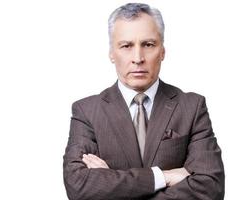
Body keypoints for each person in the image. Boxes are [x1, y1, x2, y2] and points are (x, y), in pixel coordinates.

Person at [63, 3, 224, 200]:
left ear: (162, 51)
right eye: (126, 46)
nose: (138, 58)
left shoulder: (192, 107)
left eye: (148, 45)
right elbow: (79, 187)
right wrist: (163, 177)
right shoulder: (87, 111)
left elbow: (210, 188)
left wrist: (111, 183)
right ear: (112, 53)